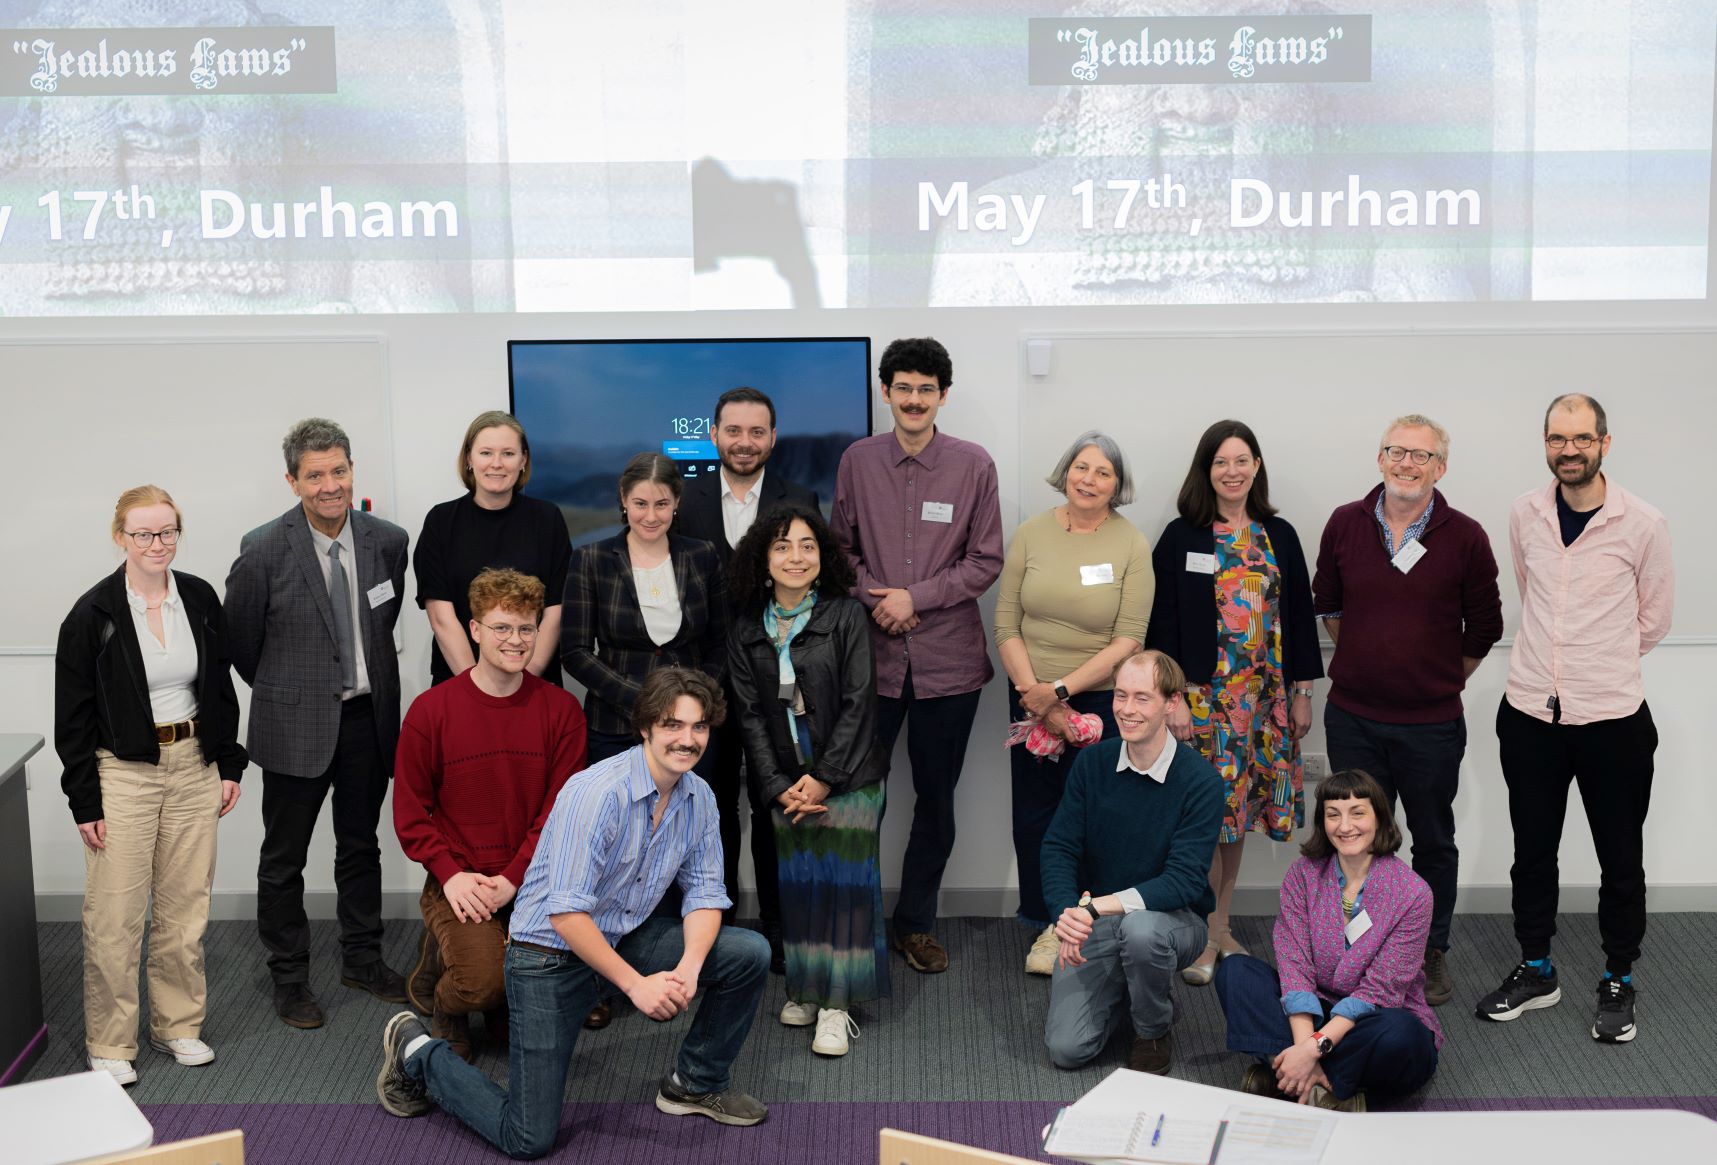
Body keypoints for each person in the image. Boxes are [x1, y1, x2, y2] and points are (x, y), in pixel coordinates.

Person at [375, 668, 772, 1159]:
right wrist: (636, 986)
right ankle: (417, 1050)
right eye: (673, 725)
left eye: (699, 727)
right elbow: (566, 915)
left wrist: (689, 967)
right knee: (527, 1138)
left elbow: (705, 894)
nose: (687, 740)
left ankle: (694, 1083)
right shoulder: (597, 793)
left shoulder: (700, 797)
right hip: (548, 959)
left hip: (620, 938)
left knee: (747, 952)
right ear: (646, 727)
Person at [1477, 394, 1673, 1044]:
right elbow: (1531, 593)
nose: (1568, 449)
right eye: (1557, 438)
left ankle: (1617, 976)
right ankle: (1536, 967)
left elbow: (1653, 618)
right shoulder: (1524, 513)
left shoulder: (1641, 522)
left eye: (1581, 438)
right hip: (1529, 713)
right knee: (1531, 853)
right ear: (1545, 443)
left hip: (1612, 719)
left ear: (1604, 444)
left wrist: (1596, 664)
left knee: (1620, 857)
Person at [54, 486, 248, 1084]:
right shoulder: (93, 615)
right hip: (124, 774)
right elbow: (73, 719)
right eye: (143, 534)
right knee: (116, 915)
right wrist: (85, 799)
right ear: (121, 538)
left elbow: (218, 685)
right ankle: (111, 1043)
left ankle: (177, 1027)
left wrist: (227, 763)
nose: (157, 544)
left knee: (185, 906)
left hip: (193, 764)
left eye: (167, 532)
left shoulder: (199, 597)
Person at [1312, 414, 1503, 1007]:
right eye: (1397, 451)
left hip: (1431, 724)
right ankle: (1353, 945)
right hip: (1354, 717)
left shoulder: (1466, 535)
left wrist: (1438, 678)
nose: (1407, 464)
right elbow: (1329, 608)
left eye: (1422, 456)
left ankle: (1428, 951)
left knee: (1434, 839)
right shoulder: (1345, 523)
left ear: (1440, 467)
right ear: (1380, 458)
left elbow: (1486, 628)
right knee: (1354, 838)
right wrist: (1371, 661)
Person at [225, 418, 411, 1028]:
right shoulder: (262, 549)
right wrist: (291, 693)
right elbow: (243, 645)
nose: (329, 485)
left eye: (338, 471)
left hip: (366, 720)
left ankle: (362, 957)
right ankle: (290, 977)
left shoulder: (387, 540)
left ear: (352, 470)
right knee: (285, 858)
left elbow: (380, 627)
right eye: (314, 475)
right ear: (292, 480)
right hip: (294, 726)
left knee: (361, 847)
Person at [831, 336, 1004, 976]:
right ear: (886, 392)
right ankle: (855, 924)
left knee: (936, 803)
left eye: (925, 389)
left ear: (942, 396)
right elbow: (837, 552)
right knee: (859, 802)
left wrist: (916, 598)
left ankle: (916, 924)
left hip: (950, 669)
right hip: (869, 664)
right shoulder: (857, 461)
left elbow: (986, 560)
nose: (912, 399)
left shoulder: (973, 465)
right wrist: (879, 597)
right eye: (902, 387)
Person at [1145, 419, 1321, 986]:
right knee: (1206, 816)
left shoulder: (1279, 534)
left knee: (1238, 816)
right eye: (1221, 462)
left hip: (1263, 704)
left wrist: (1300, 693)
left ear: (1257, 467)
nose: (1233, 471)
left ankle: (1218, 925)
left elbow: (1297, 618)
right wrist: (1169, 696)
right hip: (1200, 703)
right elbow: (1162, 624)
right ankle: (1202, 929)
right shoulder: (1182, 536)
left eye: (1242, 460)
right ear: (1206, 470)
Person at [393, 569, 588, 1060]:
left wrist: (515, 879)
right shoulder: (431, 711)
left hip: (531, 879)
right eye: (501, 627)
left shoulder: (562, 711)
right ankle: (445, 1001)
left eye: (527, 628)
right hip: (459, 880)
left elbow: (559, 816)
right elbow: (412, 815)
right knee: (482, 987)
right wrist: (453, 878)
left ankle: (495, 984)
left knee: (547, 1007)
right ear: (475, 630)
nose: (516, 640)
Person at [562, 450, 727, 1029]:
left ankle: (673, 968)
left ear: (677, 504)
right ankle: (605, 979)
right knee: (615, 858)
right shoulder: (591, 559)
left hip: (686, 731)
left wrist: (688, 710)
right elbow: (575, 651)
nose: (650, 515)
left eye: (662, 504)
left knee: (674, 850)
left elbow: (717, 644)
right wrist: (641, 705)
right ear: (623, 503)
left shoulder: (701, 556)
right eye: (640, 504)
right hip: (614, 727)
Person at [727, 503, 890, 1057]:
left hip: (850, 778)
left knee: (842, 891)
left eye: (806, 546)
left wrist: (823, 778)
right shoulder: (747, 628)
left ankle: (837, 1005)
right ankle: (806, 987)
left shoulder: (846, 617)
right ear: (762, 559)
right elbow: (748, 715)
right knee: (798, 888)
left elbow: (858, 705)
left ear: (822, 558)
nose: (795, 557)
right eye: (781, 546)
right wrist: (776, 785)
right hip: (784, 785)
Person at [995, 430, 1153, 975]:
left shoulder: (1129, 543)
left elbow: (1130, 637)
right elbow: (1005, 622)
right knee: (1036, 816)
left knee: (1096, 817)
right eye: (1082, 468)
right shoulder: (1032, 533)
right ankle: (1046, 925)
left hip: (1104, 701)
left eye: (1103, 472)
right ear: (1066, 471)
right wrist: (1038, 698)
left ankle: (1091, 926)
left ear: (1117, 485)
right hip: (1027, 693)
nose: (1089, 479)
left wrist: (1060, 693)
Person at [672, 386, 819, 963]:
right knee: (710, 808)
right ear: (714, 435)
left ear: (772, 439)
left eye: (757, 432)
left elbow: (811, 580)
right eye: (733, 431)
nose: (744, 442)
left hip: (774, 685)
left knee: (772, 804)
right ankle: (722, 926)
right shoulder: (683, 496)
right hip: (704, 682)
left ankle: (781, 931)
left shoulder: (797, 496)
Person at [1215, 768, 1443, 1112]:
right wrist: (1307, 1044)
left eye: (1358, 813)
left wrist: (1310, 1051)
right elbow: (1293, 964)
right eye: (1333, 814)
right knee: (1235, 972)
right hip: (1314, 1009)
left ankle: (1284, 1077)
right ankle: (1327, 1087)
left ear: (1380, 818)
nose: (1345, 826)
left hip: (1374, 1017)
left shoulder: (1413, 893)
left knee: (1403, 1037)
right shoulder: (1303, 874)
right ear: (1323, 822)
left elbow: (1380, 991)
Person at [1040, 650, 1224, 1075]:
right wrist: (1066, 914)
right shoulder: (1092, 763)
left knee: (1141, 934)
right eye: (1121, 695)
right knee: (1067, 1050)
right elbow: (1058, 847)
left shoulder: (1201, 783)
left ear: (1172, 703)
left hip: (1172, 920)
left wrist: (1093, 906)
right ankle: (1133, 984)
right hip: (1098, 919)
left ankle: (1153, 1027)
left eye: (1142, 698)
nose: (1126, 709)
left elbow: (1182, 883)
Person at [412, 411, 571, 688]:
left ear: (523, 461)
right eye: (486, 453)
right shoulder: (440, 521)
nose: (496, 464)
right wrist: (479, 689)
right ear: (469, 459)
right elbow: (441, 618)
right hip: (461, 684)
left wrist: (525, 681)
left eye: (508, 454)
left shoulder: (548, 519)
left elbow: (555, 612)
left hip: (535, 686)